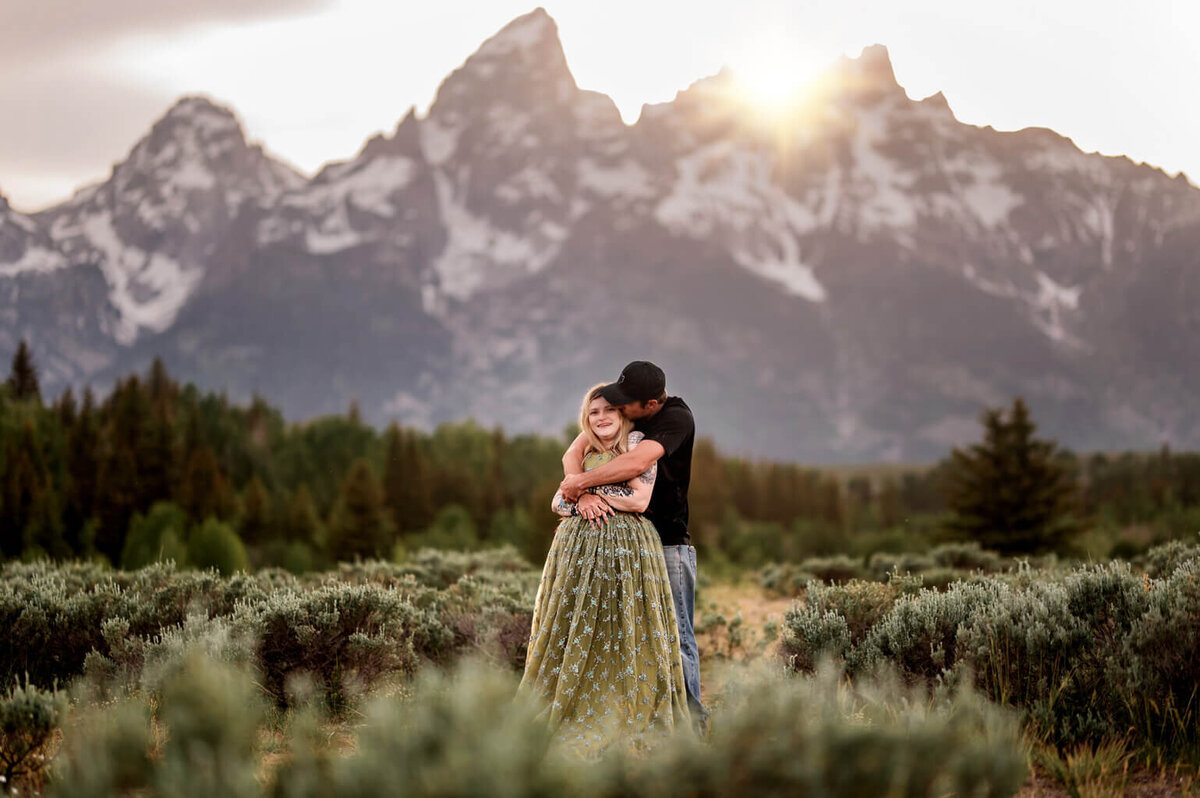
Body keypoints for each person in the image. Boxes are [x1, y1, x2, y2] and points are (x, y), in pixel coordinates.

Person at [519, 383, 689, 753]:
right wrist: (580, 498)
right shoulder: (584, 447)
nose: (601, 418)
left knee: (626, 623)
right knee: (575, 623)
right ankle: (572, 706)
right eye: (593, 412)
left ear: (622, 414)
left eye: (608, 411)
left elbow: (640, 499)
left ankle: (630, 712)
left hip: (629, 555)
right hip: (578, 556)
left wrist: (591, 492)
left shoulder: (637, 442)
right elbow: (557, 502)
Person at [557, 361, 707, 730]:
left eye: (625, 404)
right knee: (632, 635)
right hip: (627, 547)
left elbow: (636, 463)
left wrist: (583, 487)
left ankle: (692, 723)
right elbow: (572, 452)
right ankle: (641, 719)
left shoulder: (675, 419)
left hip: (667, 543)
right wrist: (580, 492)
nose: (617, 408)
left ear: (650, 406)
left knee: (677, 634)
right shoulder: (627, 411)